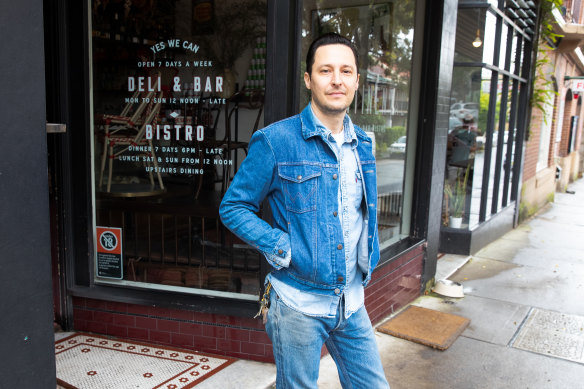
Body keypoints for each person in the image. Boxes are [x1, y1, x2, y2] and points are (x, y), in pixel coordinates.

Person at [219, 33, 389, 388]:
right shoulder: (276, 141)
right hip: (298, 305)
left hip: (351, 302)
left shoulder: (365, 145)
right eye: (325, 70)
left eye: (346, 71)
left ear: (358, 80)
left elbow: (362, 214)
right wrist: (283, 246)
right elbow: (234, 206)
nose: (337, 80)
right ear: (309, 79)